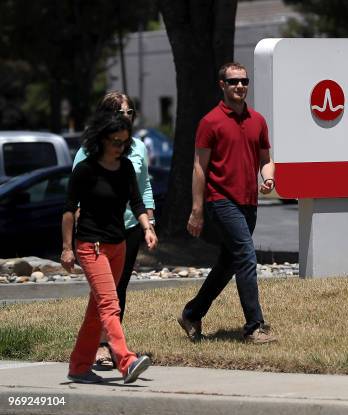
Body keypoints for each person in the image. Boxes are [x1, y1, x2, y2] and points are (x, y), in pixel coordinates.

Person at [178, 62, 277, 344]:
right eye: (233, 82)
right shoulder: (210, 122)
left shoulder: (257, 121)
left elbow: (267, 160)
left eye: (244, 81)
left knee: (228, 263)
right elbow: (199, 167)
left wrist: (268, 179)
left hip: (250, 203)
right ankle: (254, 327)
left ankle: (192, 313)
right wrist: (197, 210)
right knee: (246, 256)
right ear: (222, 85)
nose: (240, 86)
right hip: (221, 201)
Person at [61, 112, 156, 384]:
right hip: (92, 246)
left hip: (118, 246)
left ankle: (79, 367)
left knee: (96, 310)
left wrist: (147, 227)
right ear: (102, 139)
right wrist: (67, 248)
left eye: (125, 143)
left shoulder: (126, 168)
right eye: (115, 141)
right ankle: (126, 361)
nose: (119, 147)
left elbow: (137, 203)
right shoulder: (86, 170)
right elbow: (68, 211)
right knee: (109, 305)